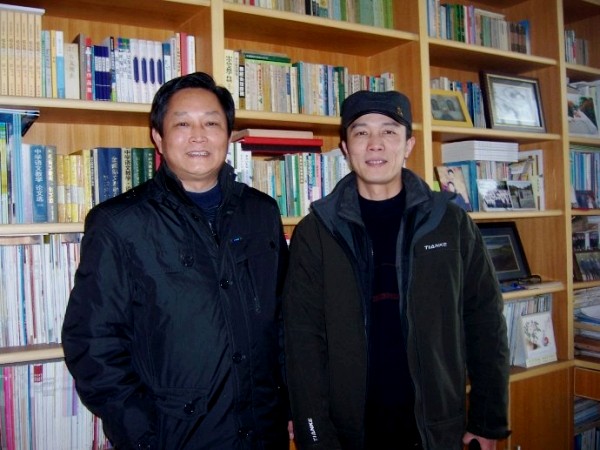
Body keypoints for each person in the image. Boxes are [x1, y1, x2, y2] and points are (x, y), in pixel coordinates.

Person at [62, 72, 291, 450]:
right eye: (182, 123)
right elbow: (92, 342)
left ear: (228, 135)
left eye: (212, 123)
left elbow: (284, 319)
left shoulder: (261, 212)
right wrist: (143, 435)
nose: (199, 136)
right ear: (158, 136)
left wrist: (290, 406)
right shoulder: (119, 223)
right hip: (175, 437)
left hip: (265, 432)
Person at [283, 90, 510, 450]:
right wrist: (315, 435)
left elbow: (485, 321)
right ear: (345, 148)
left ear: (408, 145)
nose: (375, 144)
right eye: (361, 132)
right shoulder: (317, 232)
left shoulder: (450, 223)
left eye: (389, 131)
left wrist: (488, 420)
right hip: (349, 431)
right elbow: (301, 339)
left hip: (435, 427)